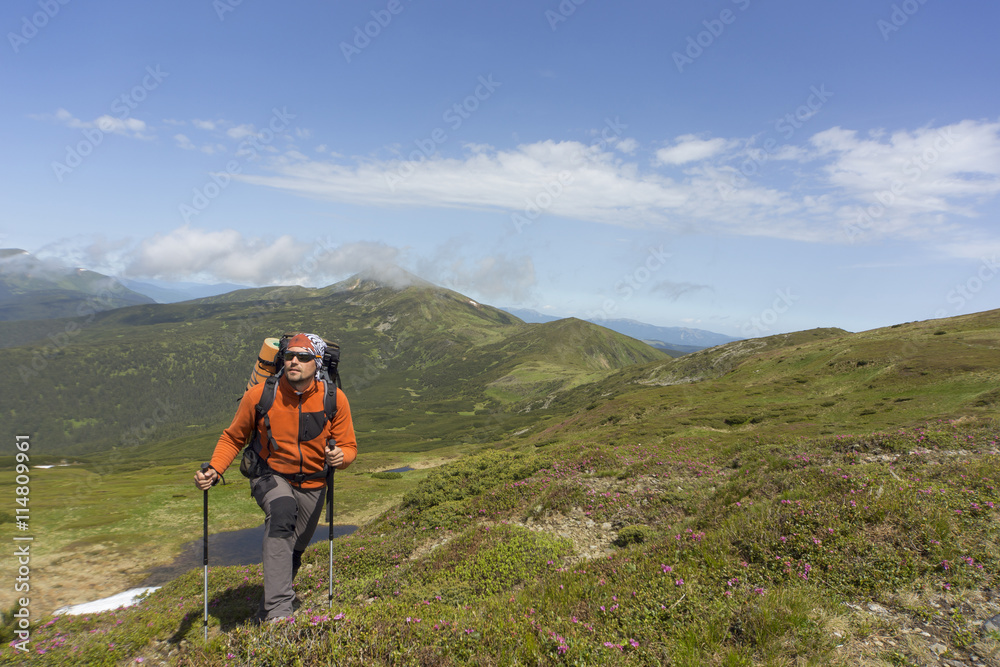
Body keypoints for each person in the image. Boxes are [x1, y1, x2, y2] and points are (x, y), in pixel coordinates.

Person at [194, 333, 357, 622]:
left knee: (294, 548)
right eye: (290, 355)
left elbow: (349, 447)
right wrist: (215, 470)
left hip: (315, 482)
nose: (294, 361)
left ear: (316, 364)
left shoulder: (334, 399)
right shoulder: (260, 395)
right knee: (282, 513)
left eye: (303, 357)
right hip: (270, 475)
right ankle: (279, 613)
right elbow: (233, 437)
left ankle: (266, 608)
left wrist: (340, 458)